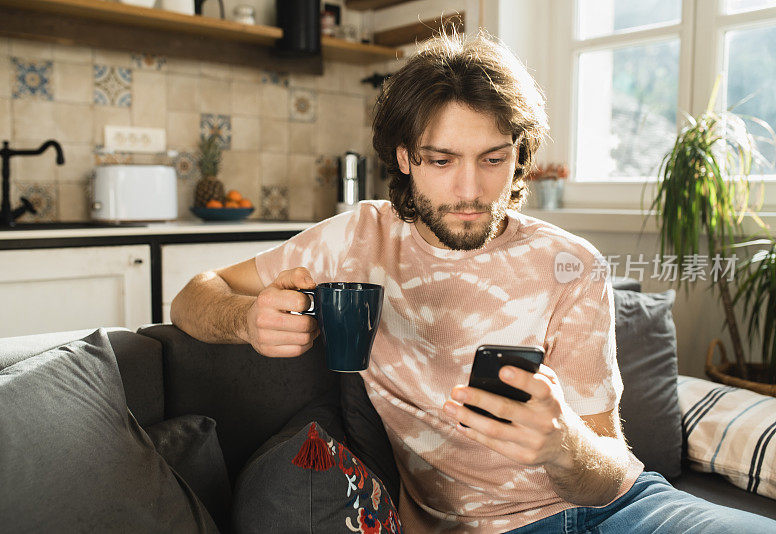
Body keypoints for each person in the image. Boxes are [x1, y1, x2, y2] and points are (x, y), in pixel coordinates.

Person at [171, 31, 776, 533]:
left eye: (493, 159)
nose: (469, 192)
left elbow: (611, 472)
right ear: (404, 157)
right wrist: (245, 320)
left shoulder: (571, 264)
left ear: (520, 156)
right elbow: (196, 293)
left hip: (615, 512)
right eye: (441, 160)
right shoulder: (355, 239)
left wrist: (564, 444)